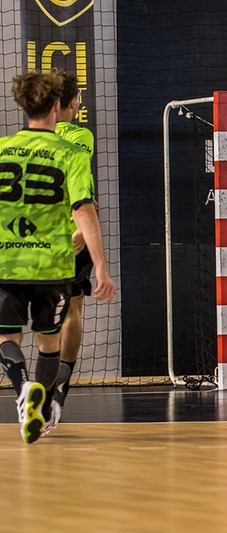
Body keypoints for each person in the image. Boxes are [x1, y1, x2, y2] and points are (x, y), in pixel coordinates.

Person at [0, 70, 115, 444]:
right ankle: (48, 398)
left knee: (6, 336)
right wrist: (101, 266)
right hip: (54, 263)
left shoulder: (2, 149)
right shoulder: (72, 151)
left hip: (9, 262)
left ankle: (23, 389)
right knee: (49, 342)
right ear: (56, 106)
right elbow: (84, 207)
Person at [43, 69, 98, 435]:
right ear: (74, 102)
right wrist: (81, 228)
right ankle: (58, 385)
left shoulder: (31, 140)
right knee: (74, 307)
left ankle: (40, 385)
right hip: (75, 233)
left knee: (44, 314)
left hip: (39, 238)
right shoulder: (81, 136)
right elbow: (79, 188)